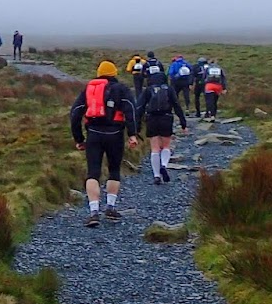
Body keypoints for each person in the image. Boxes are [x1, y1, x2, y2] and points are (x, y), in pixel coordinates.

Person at [69, 60, 139, 227]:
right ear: (114, 73)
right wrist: (132, 134)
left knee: (93, 172)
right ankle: (110, 207)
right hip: (115, 135)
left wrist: (79, 139)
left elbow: (75, 114)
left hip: (94, 135)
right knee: (114, 170)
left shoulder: (89, 89)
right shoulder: (122, 89)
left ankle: (94, 212)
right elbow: (131, 111)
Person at [138, 67, 189, 184]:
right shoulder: (169, 89)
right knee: (166, 146)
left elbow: (140, 107)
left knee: (155, 148)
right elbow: (176, 105)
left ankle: (156, 175)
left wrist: (137, 125)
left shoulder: (148, 90)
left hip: (151, 119)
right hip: (166, 118)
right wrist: (183, 123)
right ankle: (164, 165)